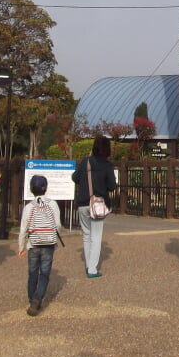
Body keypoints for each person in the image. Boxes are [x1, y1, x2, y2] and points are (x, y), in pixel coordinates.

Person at [71, 135, 116, 278]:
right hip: (97, 205)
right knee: (96, 237)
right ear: (107, 149)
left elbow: (75, 178)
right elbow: (112, 186)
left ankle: (88, 265)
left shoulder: (86, 162)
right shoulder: (107, 165)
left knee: (86, 235)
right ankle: (92, 269)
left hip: (83, 203)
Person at [18, 174, 61, 316]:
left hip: (33, 243)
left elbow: (24, 229)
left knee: (32, 272)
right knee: (45, 273)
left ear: (31, 189)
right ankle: (37, 298)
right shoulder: (52, 204)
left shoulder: (29, 207)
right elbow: (58, 225)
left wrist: (21, 247)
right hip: (49, 243)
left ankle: (32, 298)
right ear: (46, 188)